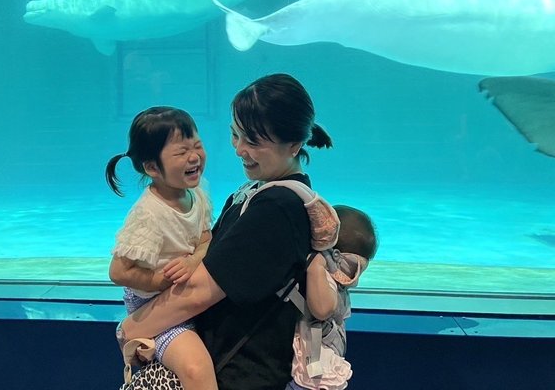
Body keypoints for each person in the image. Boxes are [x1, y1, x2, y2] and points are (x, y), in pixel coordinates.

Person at [118, 73, 334, 390]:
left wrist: (130, 327)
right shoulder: (255, 192)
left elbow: (197, 293)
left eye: (253, 141)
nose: (239, 149)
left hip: (236, 374)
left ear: (294, 144)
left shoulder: (276, 208)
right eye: (236, 135)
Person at [106, 106, 217, 390]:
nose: (194, 156)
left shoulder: (197, 194)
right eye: (181, 152)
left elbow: (205, 239)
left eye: (197, 146)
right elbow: (119, 271)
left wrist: (194, 261)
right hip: (154, 306)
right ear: (152, 167)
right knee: (197, 369)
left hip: (185, 295)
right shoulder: (149, 215)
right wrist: (158, 281)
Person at [289, 205, 378, 390]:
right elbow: (322, 309)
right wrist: (316, 268)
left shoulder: (326, 274)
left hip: (317, 369)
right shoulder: (321, 273)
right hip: (313, 374)